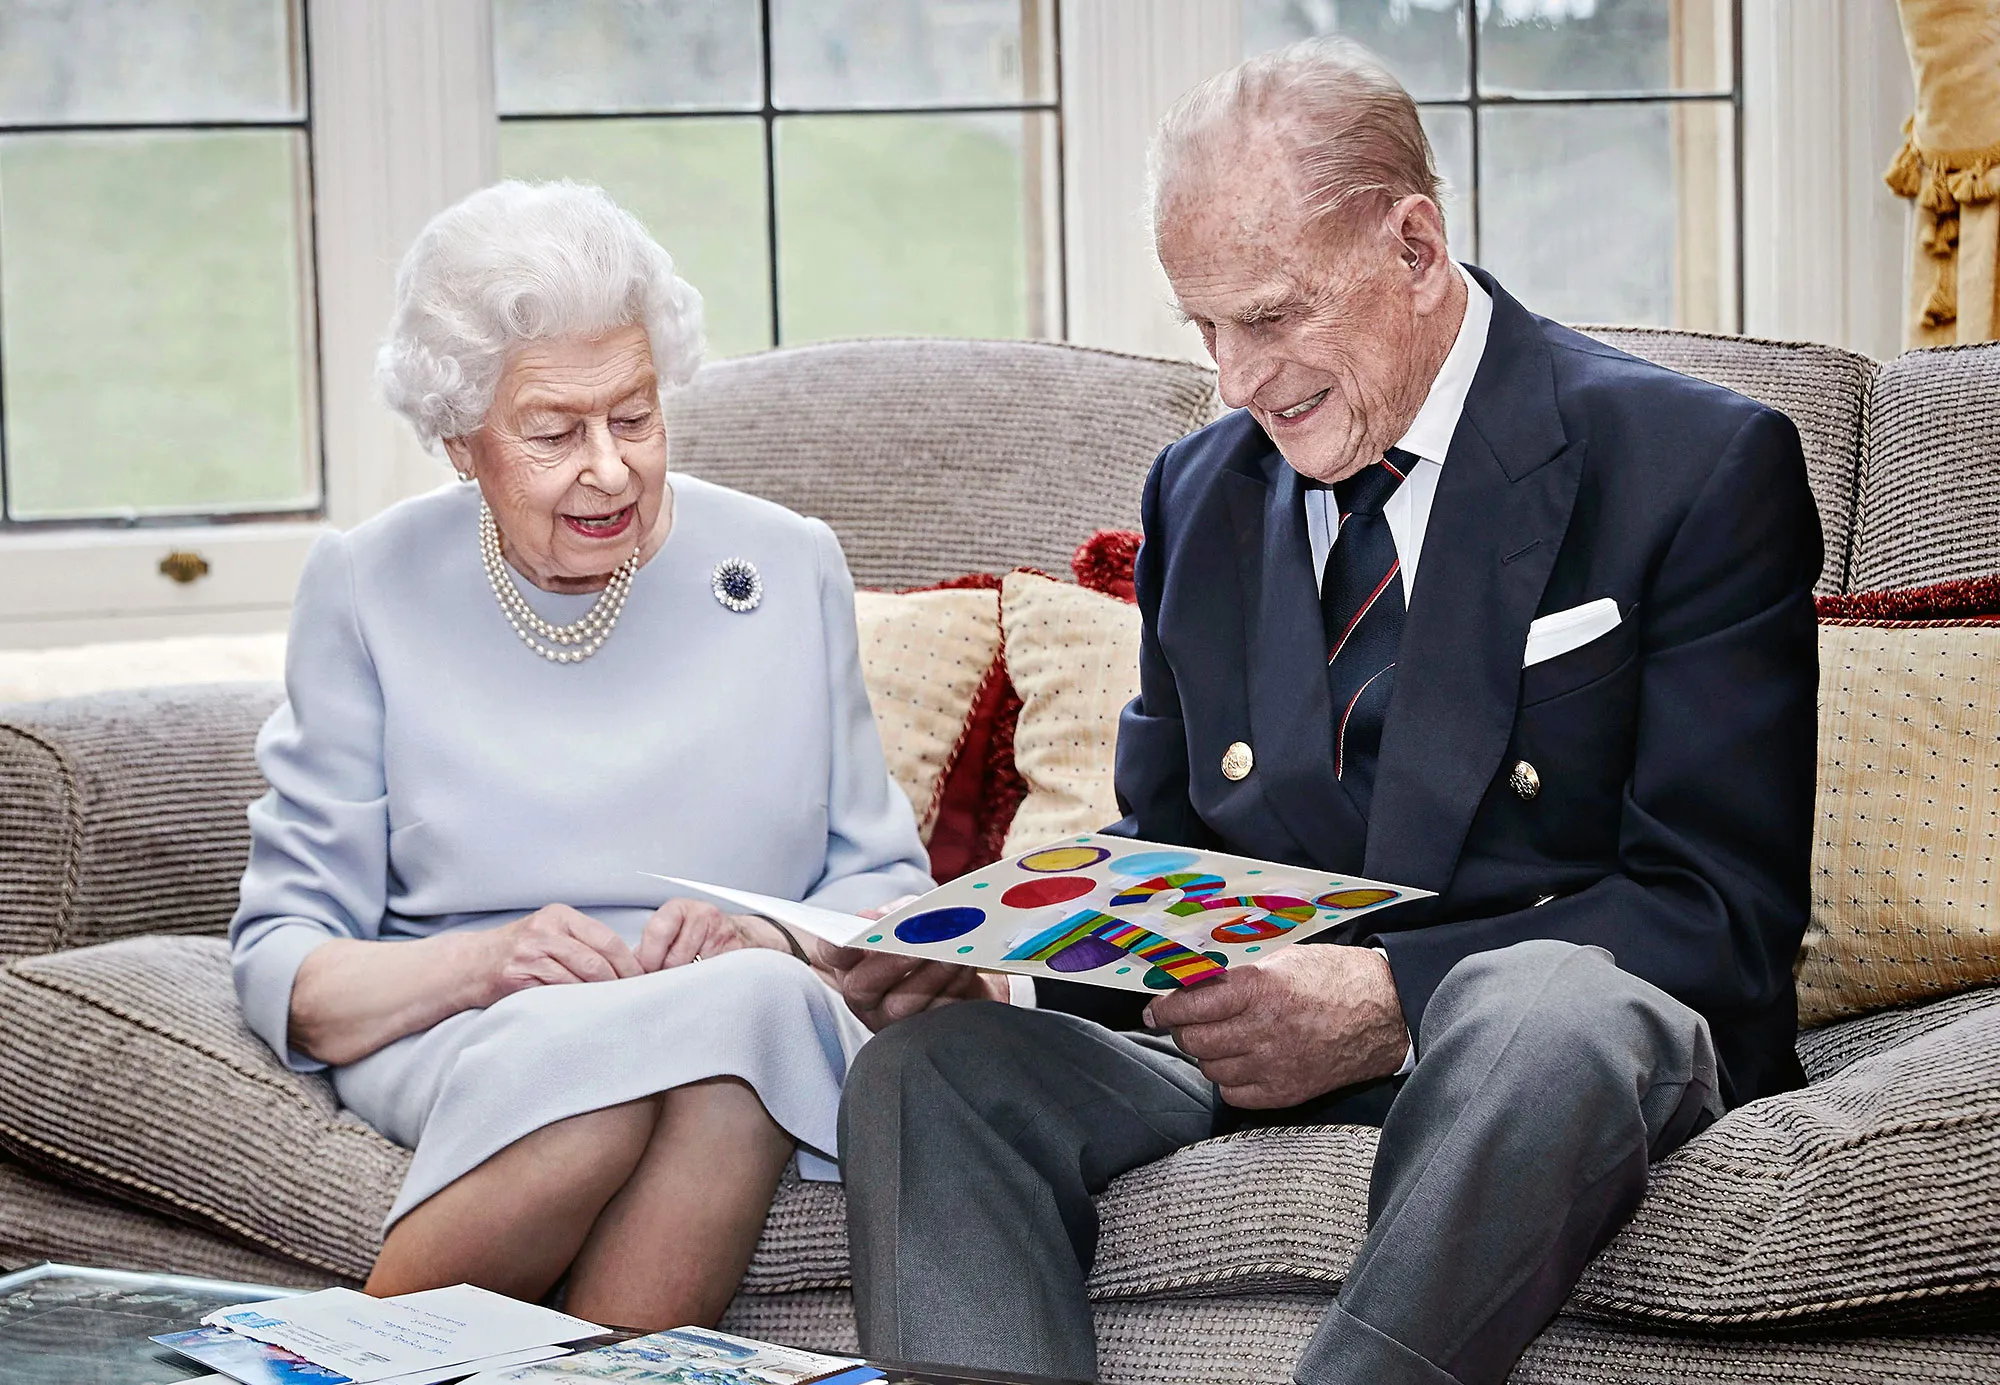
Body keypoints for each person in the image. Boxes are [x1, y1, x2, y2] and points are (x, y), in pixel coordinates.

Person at [828, 39, 1821, 1385]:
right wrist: (997, 963)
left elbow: (1723, 914)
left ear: (1414, 246)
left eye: (1275, 316)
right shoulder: (1201, 493)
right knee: (929, 1076)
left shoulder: (1693, 465)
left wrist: (1389, 998)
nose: (1238, 380)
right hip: (1249, 1058)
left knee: (1543, 1011)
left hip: (1548, 1055)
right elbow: (1164, 859)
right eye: (1206, 330)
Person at [230, 179, 936, 1330]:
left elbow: (882, 888)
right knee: (624, 1083)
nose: (607, 468)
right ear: (461, 442)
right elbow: (288, 960)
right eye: (554, 432)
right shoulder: (368, 584)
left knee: (733, 1033)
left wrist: (765, 932)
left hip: (739, 1004)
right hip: (464, 1019)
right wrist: (487, 962)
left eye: (635, 416)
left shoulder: (786, 562)